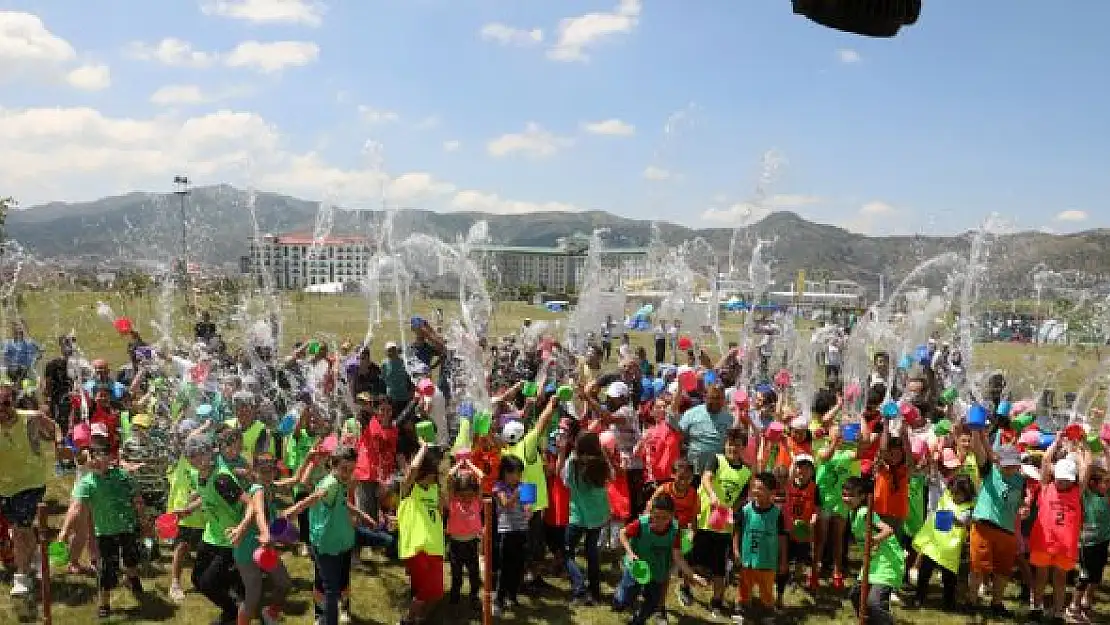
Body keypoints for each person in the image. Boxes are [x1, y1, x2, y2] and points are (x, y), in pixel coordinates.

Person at [58, 438, 144, 619]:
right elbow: (76, 508)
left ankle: (133, 578)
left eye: (101, 456)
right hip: (104, 532)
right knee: (106, 569)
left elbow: (136, 497)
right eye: (94, 456)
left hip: (127, 527)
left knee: (131, 557)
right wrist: (64, 531)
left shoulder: (123, 476)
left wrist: (143, 519)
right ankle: (104, 603)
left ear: (111, 458)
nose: (96, 460)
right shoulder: (87, 482)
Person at [280, 445, 365, 625]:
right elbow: (315, 496)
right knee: (327, 584)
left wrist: (361, 515)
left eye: (351, 469)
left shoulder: (340, 481)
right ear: (332, 464)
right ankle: (322, 615)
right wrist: (294, 510)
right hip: (326, 541)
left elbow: (343, 502)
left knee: (339, 579)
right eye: (344, 469)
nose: (347, 473)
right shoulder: (331, 483)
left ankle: (339, 610)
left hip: (341, 539)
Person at [178, 436, 249, 625]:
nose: (194, 460)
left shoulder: (221, 479)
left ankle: (232, 611)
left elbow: (250, 503)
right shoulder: (200, 474)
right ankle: (236, 592)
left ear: (209, 453)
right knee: (196, 579)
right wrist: (188, 510)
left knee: (208, 584)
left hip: (228, 539)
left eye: (197, 454)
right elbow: (205, 495)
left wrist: (241, 528)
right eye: (190, 456)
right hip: (211, 535)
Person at [614, 494, 706, 625]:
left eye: (665, 518)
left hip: (658, 570)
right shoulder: (641, 523)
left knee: (653, 603)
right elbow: (623, 533)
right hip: (638, 567)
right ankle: (619, 597)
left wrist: (693, 575)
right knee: (623, 600)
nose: (660, 522)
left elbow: (677, 556)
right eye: (656, 517)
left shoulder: (675, 530)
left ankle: (637, 621)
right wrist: (630, 553)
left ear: (672, 515)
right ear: (651, 513)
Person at [0, 378, 54, 597]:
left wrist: (54, 434)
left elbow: (53, 433)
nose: (2, 410)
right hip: (5, 485)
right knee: (17, 527)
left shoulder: (31, 419)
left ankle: (22, 577)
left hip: (31, 482)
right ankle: (35, 558)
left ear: (13, 401)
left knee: (20, 529)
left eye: (6, 404)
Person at [1029, 439, 1089, 622]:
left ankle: (1057, 612)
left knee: (1060, 579)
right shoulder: (1046, 487)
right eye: (1060, 479)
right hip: (1043, 542)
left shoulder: (1076, 492)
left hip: (1065, 546)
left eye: (1067, 480)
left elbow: (1087, 466)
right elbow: (1046, 461)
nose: (1062, 483)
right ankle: (1037, 607)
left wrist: (1080, 449)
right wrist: (1055, 442)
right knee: (1041, 576)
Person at [967, 438, 1028, 618]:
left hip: (1007, 531)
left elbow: (1020, 502)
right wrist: (978, 432)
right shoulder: (989, 470)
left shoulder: (1020, 480)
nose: (1010, 469)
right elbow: (978, 448)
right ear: (998, 461)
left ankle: (997, 604)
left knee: (1003, 571)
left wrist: (1023, 507)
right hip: (984, 526)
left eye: (1013, 466)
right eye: (1006, 465)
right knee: (978, 568)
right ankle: (971, 601)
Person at [231, 452, 290, 625]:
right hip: (248, 549)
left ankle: (270, 613)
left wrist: (308, 462)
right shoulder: (257, 489)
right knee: (252, 596)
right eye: (263, 471)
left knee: (284, 583)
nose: (268, 474)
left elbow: (293, 482)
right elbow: (258, 513)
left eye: (271, 470)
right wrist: (265, 533)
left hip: (264, 548)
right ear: (255, 472)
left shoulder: (269, 486)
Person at [396, 442, 447, 625]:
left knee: (436, 592)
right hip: (417, 547)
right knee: (427, 589)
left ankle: (416, 617)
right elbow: (412, 471)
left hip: (435, 546)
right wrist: (423, 448)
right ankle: (408, 619)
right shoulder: (409, 490)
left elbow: (441, 511)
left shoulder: (436, 491)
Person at [843, 476, 904, 625]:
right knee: (856, 595)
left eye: (851, 495)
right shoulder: (853, 512)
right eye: (844, 494)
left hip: (886, 561)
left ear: (862, 496)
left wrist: (874, 540)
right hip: (873, 560)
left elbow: (888, 530)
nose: (846, 498)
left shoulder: (865, 512)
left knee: (874, 603)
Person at [561, 431, 612, 607]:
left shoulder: (572, 464)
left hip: (578, 516)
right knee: (592, 555)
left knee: (567, 553)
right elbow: (611, 478)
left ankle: (579, 587)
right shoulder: (602, 464)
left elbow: (565, 482)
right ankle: (595, 594)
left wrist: (563, 453)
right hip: (597, 517)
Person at [732, 471, 787, 624]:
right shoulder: (745, 510)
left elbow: (782, 539)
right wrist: (736, 550)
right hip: (747, 560)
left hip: (767, 561)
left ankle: (768, 611)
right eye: (754, 487)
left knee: (767, 589)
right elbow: (737, 531)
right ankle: (741, 609)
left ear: (771, 492)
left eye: (761, 488)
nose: (756, 491)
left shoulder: (777, 514)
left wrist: (783, 561)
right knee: (744, 586)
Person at [493, 456, 530, 615]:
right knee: (505, 568)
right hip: (506, 532)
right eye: (514, 473)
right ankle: (498, 601)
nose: (517, 477)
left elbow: (529, 506)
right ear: (504, 473)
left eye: (519, 474)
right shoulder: (499, 487)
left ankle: (512, 596)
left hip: (522, 531)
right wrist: (517, 494)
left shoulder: (524, 486)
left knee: (519, 566)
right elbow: (506, 504)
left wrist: (529, 510)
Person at [445, 458, 484, 608]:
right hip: (455, 545)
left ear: (474, 493)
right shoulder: (453, 503)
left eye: (469, 495)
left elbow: (481, 476)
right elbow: (449, 476)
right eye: (462, 495)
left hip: (472, 544)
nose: (466, 499)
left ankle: (474, 596)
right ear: (456, 493)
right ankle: (455, 596)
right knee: (456, 574)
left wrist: (470, 465)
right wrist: (459, 465)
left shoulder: (476, 502)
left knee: (474, 574)